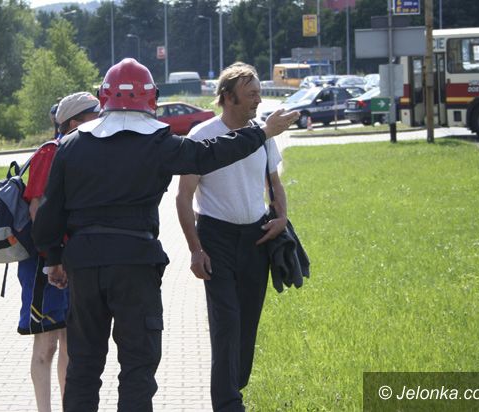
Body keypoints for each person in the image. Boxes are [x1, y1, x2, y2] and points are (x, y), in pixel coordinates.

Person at [31, 58, 298, 412]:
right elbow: (210, 155)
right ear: (151, 97)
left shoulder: (72, 144)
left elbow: (50, 213)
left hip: (85, 264)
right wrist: (262, 132)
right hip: (136, 265)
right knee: (137, 368)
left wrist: (53, 260)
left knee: (83, 367)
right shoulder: (158, 142)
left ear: (104, 96)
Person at [176, 62, 288, 412]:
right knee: (226, 322)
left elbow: (275, 183)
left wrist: (282, 218)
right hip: (216, 239)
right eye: (251, 94)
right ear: (228, 97)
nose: (258, 100)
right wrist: (195, 250)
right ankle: (228, 403)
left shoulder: (262, 134)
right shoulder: (201, 136)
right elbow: (183, 197)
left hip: (257, 239)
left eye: (259, 93)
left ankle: (233, 386)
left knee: (247, 323)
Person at [18, 91, 100, 412]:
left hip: (72, 260)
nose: (101, 119)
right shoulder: (49, 152)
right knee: (46, 343)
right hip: (45, 263)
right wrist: (53, 257)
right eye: (95, 114)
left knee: (69, 342)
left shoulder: (84, 152)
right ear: (75, 122)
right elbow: (37, 211)